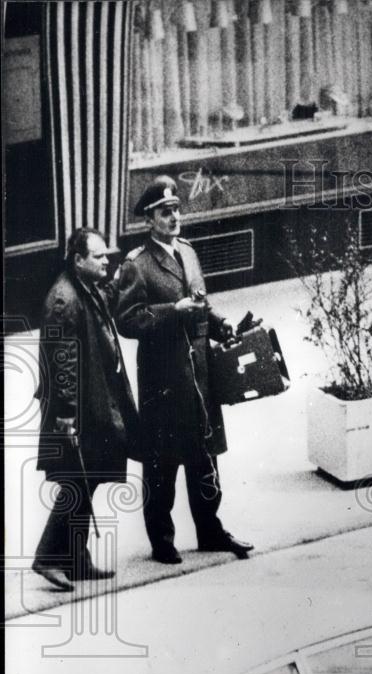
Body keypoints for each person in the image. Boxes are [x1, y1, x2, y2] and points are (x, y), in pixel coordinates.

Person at [116, 176, 253, 564]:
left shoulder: (188, 252)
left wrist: (220, 322)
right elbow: (126, 320)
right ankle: (162, 540)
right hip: (164, 379)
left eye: (176, 209)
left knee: (204, 456)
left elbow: (200, 301)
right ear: (149, 220)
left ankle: (210, 530)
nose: (174, 217)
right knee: (163, 463)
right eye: (165, 212)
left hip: (199, 373)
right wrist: (170, 312)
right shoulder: (137, 266)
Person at [33, 228, 140, 591]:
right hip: (74, 413)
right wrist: (66, 414)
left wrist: (124, 269)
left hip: (90, 406)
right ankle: (48, 557)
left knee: (87, 478)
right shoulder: (64, 299)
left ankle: (76, 559)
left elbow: (105, 301)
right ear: (78, 260)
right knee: (77, 481)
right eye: (99, 257)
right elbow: (62, 362)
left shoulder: (83, 287)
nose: (105, 260)